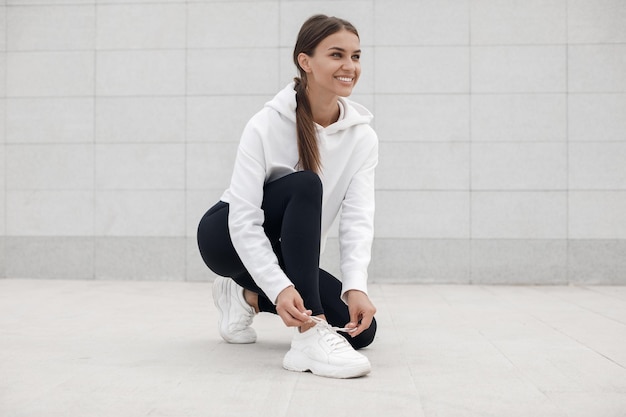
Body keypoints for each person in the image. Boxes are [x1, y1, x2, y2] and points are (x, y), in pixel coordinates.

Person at [197, 14, 378, 379]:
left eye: (356, 56)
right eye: (337, 55)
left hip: (282, 248)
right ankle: (308, 340)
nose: (349, 66)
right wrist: (281, 287)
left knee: (360, 330)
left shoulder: (362, 138)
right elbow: (244, 220)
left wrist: (355, 286)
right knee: (306, 183)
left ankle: (243, 296)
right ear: (305, 61)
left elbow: (358, 219)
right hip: (226, 236)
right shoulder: (266, 124)